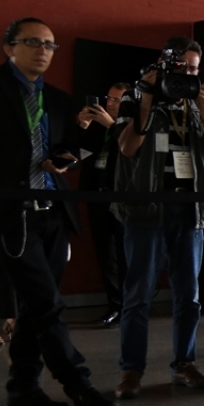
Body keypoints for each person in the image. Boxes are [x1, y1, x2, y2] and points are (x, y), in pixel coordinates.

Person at [0, 17, 115, 406]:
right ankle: (79, 385)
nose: (43, 51)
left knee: (35, 308)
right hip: (12, 213)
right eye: (34, 42)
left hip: (53, 212)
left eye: (50, 45)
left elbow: (68, 145)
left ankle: (23, 389)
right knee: (47, 304)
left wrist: (65, 158)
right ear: (10, 47)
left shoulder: (56, 98)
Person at [112, 37, 204, 399]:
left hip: (189, 210)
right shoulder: (136, 96)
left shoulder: (194, 104)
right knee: (138, 295)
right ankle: (131, 370)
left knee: (189, 295)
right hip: (147, 209)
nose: (189, 75)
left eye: (195, 69)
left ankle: (184, 364)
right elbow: (127, 147)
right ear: (165, 64)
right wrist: (147, 101)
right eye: (183, 67)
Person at [77, 82, 131, 327]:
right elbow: (78, 152)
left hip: (123, 199)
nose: (110, 103)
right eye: (109, 98)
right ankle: (114, 304)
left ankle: (127, 306)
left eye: (117, 100)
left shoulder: (132, 126)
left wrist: (112, 125)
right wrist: (83, 126)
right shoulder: (99, 127)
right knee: (105, 254)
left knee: (124, 254)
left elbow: (132, 154)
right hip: (97, 197)